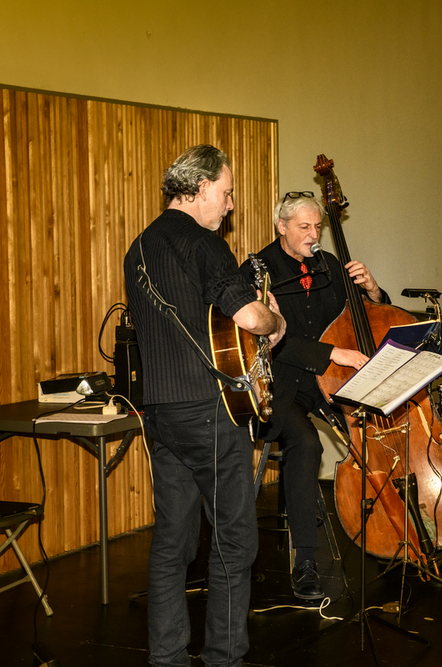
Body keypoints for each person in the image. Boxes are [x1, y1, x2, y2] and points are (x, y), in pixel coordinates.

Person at [123, 145, 286, 667]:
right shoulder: (205, 244)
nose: (230, 204)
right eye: (227, 192)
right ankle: (223, 658)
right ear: (198, 189)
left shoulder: (138, 248)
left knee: (172, 543)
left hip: (160, 413)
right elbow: (250, 320)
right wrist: (276, 321)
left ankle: (167, 658)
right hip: (210, 413)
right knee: (234, 542)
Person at [241, 192, 390, 601]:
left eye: (317, 227)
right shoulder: (258, 271)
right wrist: (331, 353)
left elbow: (366, 316)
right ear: (282, 226)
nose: (313, 235)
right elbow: (263, 338)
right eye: (304, 227)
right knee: (307, 445)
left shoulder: (329, 265)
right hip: (279, 386)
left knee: (378, 428)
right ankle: (305, 559)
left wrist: (374, 290)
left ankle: (393, 528)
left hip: (330, 383)